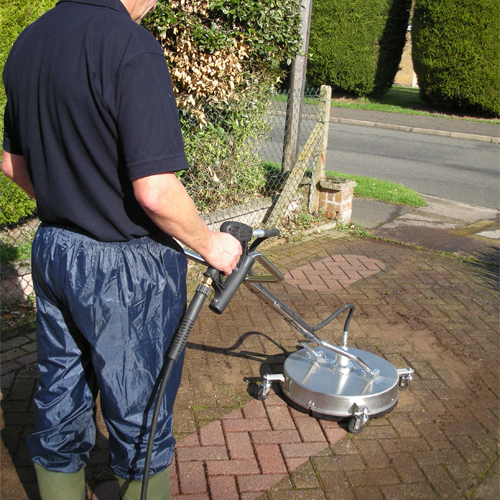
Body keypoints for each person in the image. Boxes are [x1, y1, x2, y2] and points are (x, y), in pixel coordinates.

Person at [1, 0, 242, 498]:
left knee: (59, 395)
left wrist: (69, 202)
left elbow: (11, 164)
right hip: (127, 267)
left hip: (55, 249)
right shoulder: (130, 46)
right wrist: (211, 244)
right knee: (140, 413)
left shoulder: (30, 41)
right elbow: (155, 191)